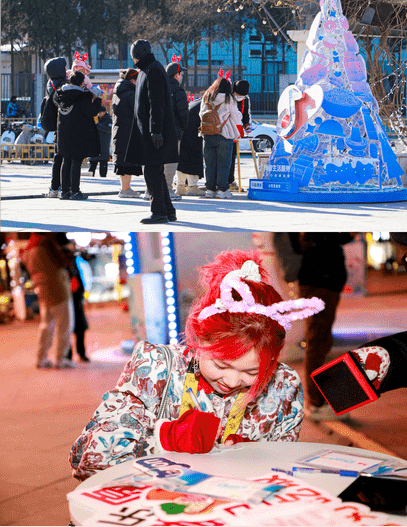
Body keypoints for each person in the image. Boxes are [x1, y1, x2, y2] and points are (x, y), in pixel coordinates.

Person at [69, 251, 322, 481]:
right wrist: (163, 438)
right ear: (199, 340)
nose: (233, 381)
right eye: (221, 364)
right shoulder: (156, 367)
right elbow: (86, 460)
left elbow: (283, 474)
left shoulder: (282, 386)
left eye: (252, 372)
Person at [289, 233, 355, 419]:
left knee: (322, 340)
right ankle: (316, 403)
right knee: (317, 341)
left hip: (323, 279)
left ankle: (319, 400)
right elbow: (309, 241)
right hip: (319, 279)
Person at [122, 40, 178, 224]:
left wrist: (156, 130)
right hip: (151, 130)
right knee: (156, 171)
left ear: (137, 54)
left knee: (152, 172)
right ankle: (168, 210)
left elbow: (157, 102)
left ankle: (159, 212)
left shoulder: (152, 69)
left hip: (153, 132)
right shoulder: (150, 68)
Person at [21, 233, 73, 369]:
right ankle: (60, 359)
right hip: (57, 286)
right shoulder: (46, 242)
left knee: (46, 324)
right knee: (65, 324)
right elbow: (61, 261)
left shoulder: (29, 247)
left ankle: (41, 358)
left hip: (42, 288)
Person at [53, 72, 105, 201]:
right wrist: (97, 98)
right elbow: (92, 111)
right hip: (78, 133)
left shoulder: (60, 94)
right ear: (82, 83)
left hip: (63, 133)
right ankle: (75, 191)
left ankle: (64, 192)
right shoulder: (82, 96)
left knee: (66, 161)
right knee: (76, 161)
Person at [200, 78, 241, 199]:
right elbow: (236, 118)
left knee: (210, 164)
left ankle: (210, 190)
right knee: (224, 163)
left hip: (207, 134)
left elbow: (201, 114)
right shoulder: (229, 99)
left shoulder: (206, 97)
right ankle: (222, 190)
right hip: (225, 134)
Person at [158, 61, 188, 202]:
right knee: (170, 163)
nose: (181, 76)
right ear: (177, 75)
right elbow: (183, 113)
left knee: (157, 161)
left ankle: (151, 190)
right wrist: (183, 127)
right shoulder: (178, 90)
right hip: (173, 131)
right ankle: (168, 190)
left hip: (156, 130)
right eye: (181, 73)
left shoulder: (159, 87)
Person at [111, 69, 143, 198]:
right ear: (133, 80)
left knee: (122, 161)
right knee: (127, 160)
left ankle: (125, 188)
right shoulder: (130, 94)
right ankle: (125, 190)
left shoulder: (118, 92)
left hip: (120, 129)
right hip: (128, 130)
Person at [40, 57, 69, 198]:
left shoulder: (50, 84)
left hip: (56, 126)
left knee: (57, 157)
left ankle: (54, 188)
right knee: (65, 158)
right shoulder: (61, 85)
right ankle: (64, 188)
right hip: (64, 125)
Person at [175, 97, 203, 195]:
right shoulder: (208, 102)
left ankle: (180, 186)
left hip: (183, 130)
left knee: (182, 159)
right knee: (194, 157)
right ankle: (192, 186)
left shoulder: (196, 102)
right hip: (194, 132)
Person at [87, 104, 112, 178]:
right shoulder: (95, 118)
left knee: (103, 165)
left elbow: (108, 130)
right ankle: (91, 177)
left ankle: (103, 177)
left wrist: (97, 125)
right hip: (95, 144)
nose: (99, 114)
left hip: (104, 144)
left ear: (104, 112)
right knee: (92, 164)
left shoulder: (109, 119)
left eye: (100, 112)